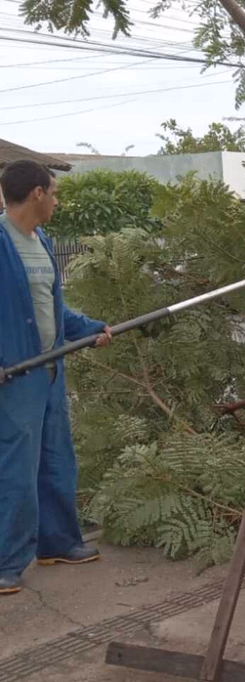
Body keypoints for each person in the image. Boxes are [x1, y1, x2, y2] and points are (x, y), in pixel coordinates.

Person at [0, 159, 113, 596]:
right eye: (54, 192)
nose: (57, 201)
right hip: (15, 374)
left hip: (49, 369)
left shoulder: (41, 240)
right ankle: (7, 561)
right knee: (16, 468)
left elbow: (52, 308)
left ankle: (59, 542)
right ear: (37, 194)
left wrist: (88, 328)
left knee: (56, 458)